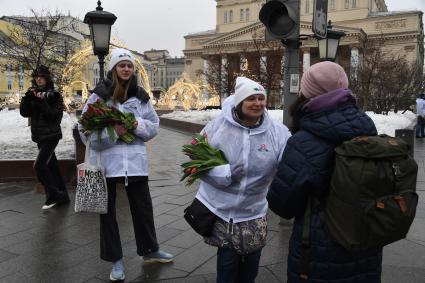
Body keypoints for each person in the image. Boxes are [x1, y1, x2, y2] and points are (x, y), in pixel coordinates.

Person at [267, 61, 382, 282]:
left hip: (318, 251)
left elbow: (283, 205)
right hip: (365, 245)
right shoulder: (368, 129)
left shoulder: (304, 141)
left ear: (307, 92)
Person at [78, 48, 174, 282]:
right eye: (121, 65)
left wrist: (134, 124)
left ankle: (149, 249)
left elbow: (154, 125)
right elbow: (84, 129)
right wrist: (114, 132)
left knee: (143, 209)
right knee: (107, 213)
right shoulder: (98, 96)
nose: (126, 69)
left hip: (135, 163)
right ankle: (116, 259)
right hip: (106, 164)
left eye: (129, 65)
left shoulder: (141, 96)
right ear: (113, 69)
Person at [195, 77, 291, 283]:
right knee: (228, 268)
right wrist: (225, 173)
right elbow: (196, 162)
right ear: (239, 102)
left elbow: (289, 163)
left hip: (254, 211)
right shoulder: (216, 127)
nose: (258, 103)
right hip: (221, 210)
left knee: (251, 268)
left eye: (260, 98)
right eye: (251, 99)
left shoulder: (277, 132)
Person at [19, 65, 70, 210]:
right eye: (36, 77)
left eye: (41, 76)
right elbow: (24, 113)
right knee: (52, 166)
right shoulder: (33, 93)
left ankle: (54, 195)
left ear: (47, 79)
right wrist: (27, 99)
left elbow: (54, 117)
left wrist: (42, 103)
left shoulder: (54, 95)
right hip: (39, 136)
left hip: (51, 136)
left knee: (39, 166)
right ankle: (63, 196)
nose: (39, 79)